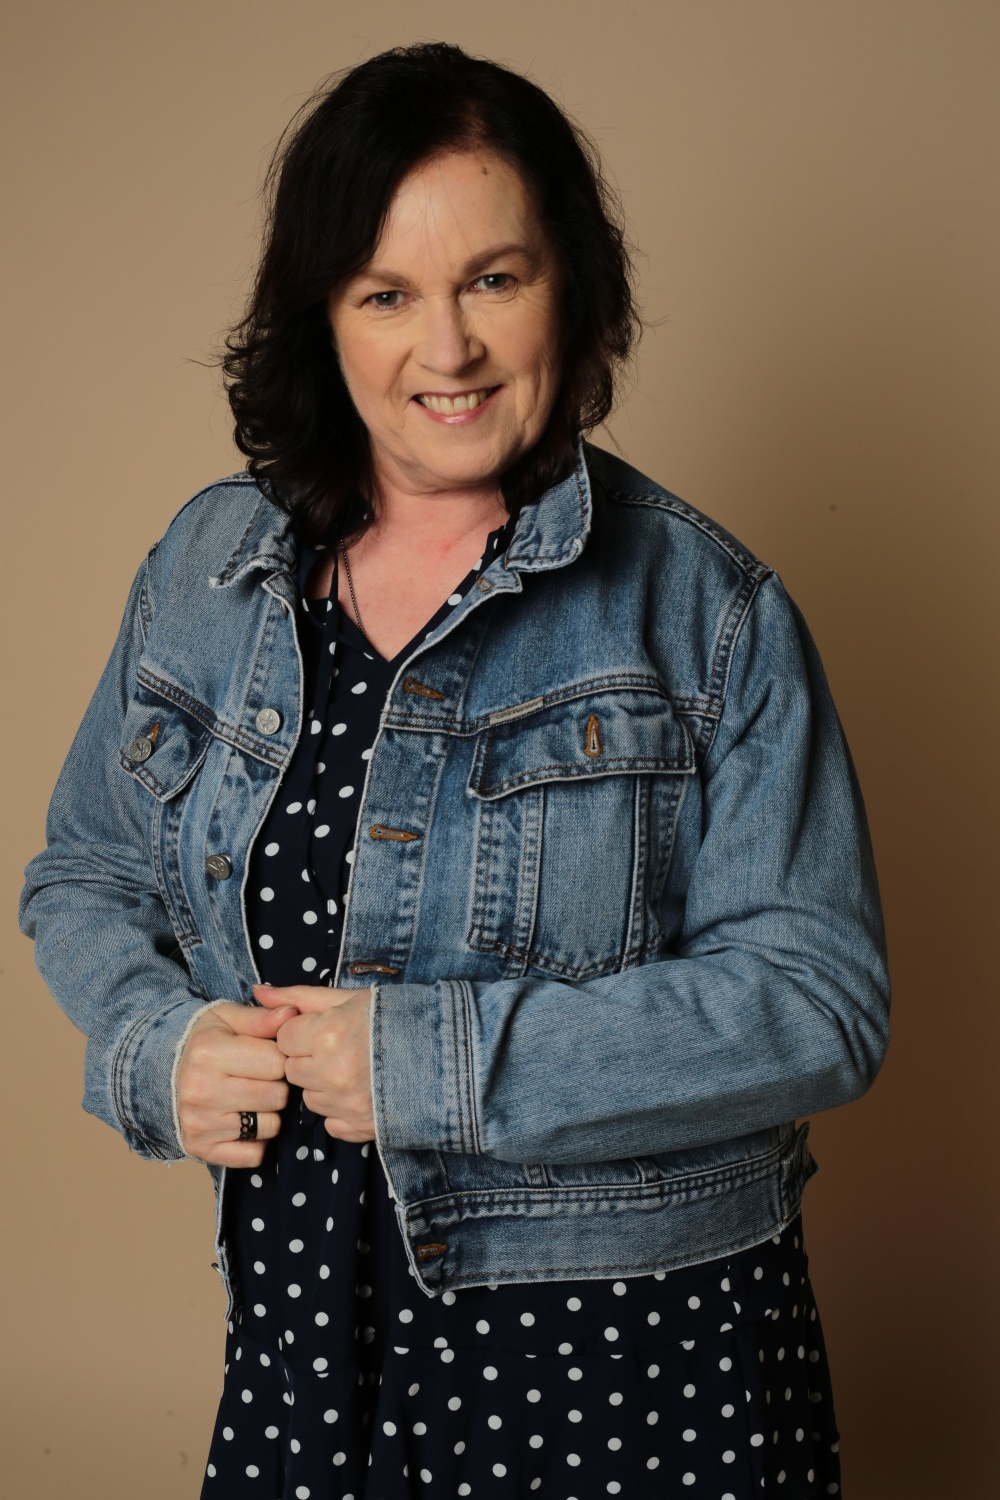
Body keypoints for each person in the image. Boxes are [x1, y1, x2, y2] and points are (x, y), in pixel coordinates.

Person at [20, 42, 889, 1500]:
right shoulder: (209, 568)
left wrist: (437, 1063)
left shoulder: (707, 611)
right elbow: (87, 870)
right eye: (386, 294)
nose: (449, 348)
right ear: (323, 318)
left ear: (573, 286)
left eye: (494, 278)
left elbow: (819, 1002)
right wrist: (150, 1049)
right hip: (305, 1356)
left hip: (637, 1378)